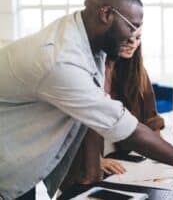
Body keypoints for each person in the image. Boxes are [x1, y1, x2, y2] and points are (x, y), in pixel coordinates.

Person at [0, 0, 173, 200]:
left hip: (19, 164)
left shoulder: (86, 39)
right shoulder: (61, 60)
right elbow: (123, 126)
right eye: (133, 26)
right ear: (106, 14)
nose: (133, 37)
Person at [61, 29, 165, 189]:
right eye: (127, 38)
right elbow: (65, 133)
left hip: (125, 161)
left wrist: (157, 153)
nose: (133, 44)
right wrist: (94, 159)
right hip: (82, 168)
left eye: (138, 38)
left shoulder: (137, 71)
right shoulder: (82, 71)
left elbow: (151, 120)